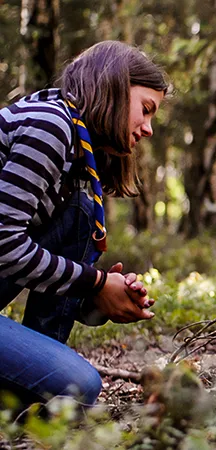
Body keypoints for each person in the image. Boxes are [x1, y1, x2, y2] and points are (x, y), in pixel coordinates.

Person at [0, 40, 167, 406]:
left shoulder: (78, 154)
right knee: (77, 386)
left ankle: (25, 399)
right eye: (146, 109)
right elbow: (4, 245)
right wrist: (95, 282)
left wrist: (99, 301)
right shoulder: (50, 125)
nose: (149, 128)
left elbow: (41, 269)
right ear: (116, 86)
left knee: (71, 391)